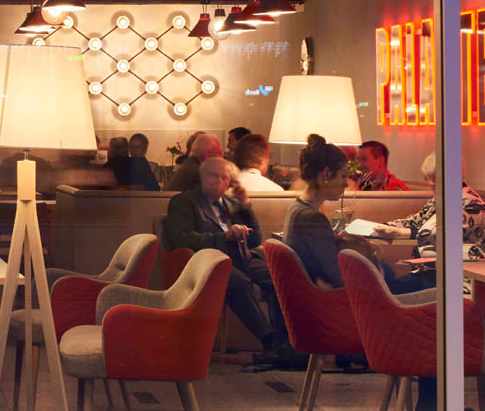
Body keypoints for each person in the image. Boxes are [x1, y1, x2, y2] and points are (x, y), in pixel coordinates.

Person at [162, 157, 295, 369]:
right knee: (236, 280)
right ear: (202, 177)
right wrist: (224, 237)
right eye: (214, 176)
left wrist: (246, 206)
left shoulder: (232, 204)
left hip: (241, 258)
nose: (220, 181)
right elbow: (181, 239)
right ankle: (269, 341)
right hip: (207, 262)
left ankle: (286, 344)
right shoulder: (185, 202)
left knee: (278, 276)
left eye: (224, 177)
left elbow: (254, 240)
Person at [284, 134, 428, 295]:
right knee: (407, 276)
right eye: (343, 176)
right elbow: (339, 277)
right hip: (335, 301)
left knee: (390, 271)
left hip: (313, 296)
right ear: (327, 174)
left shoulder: (297, 208)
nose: (345, 184)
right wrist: (371, 255)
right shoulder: (313, 219)